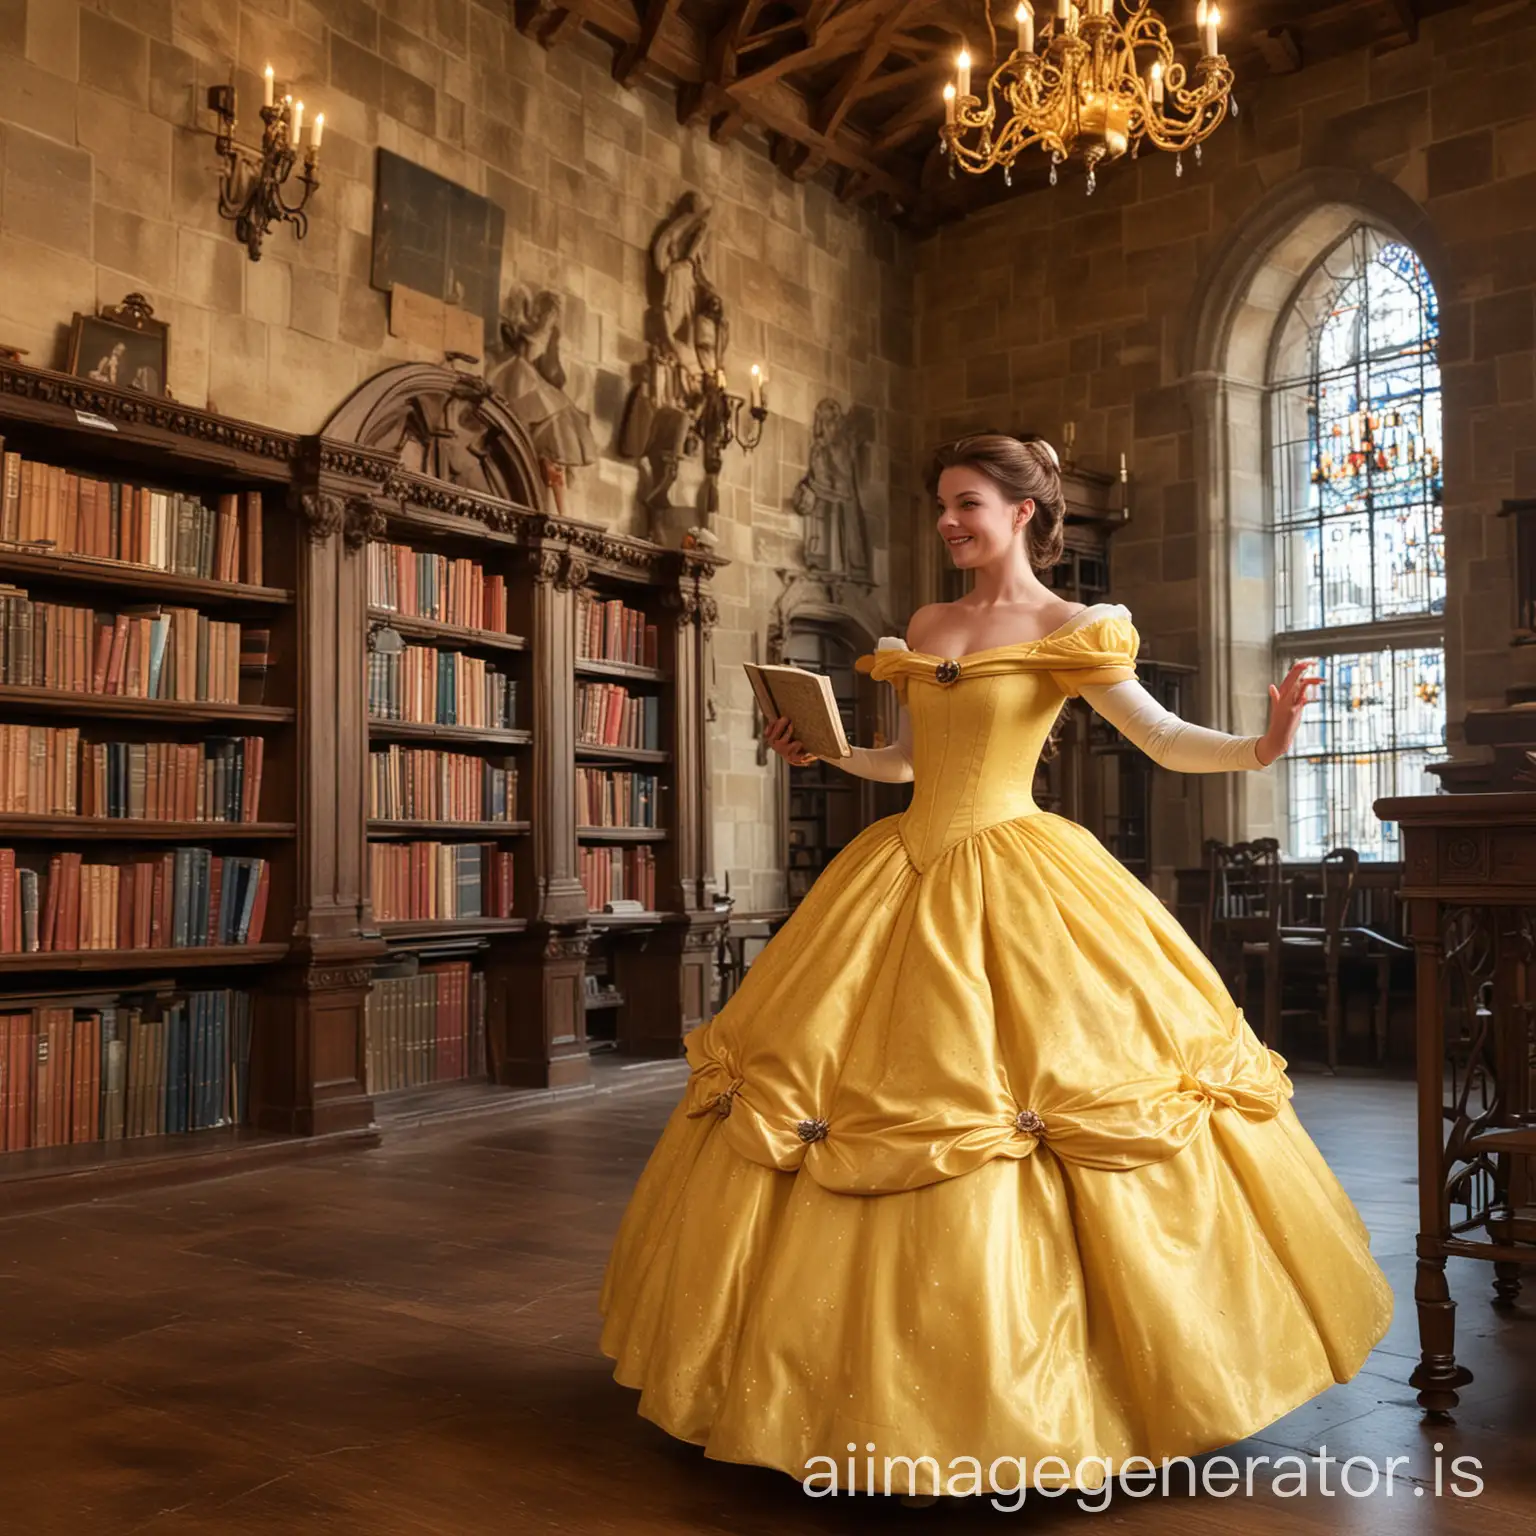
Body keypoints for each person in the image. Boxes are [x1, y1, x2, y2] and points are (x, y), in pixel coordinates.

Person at [598, 433, 1393, 1503]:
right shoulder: (924, 629)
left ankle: (1081, 1396)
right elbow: (906, 763)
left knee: (1042, 1103)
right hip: (900, 869)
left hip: (1020, 871)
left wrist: (1263, 744)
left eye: (966, 504)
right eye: (941, 506)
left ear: (1024, 512)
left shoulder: (1072, 629)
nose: (948, 523)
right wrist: (824, 750)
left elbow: (1157, 738)